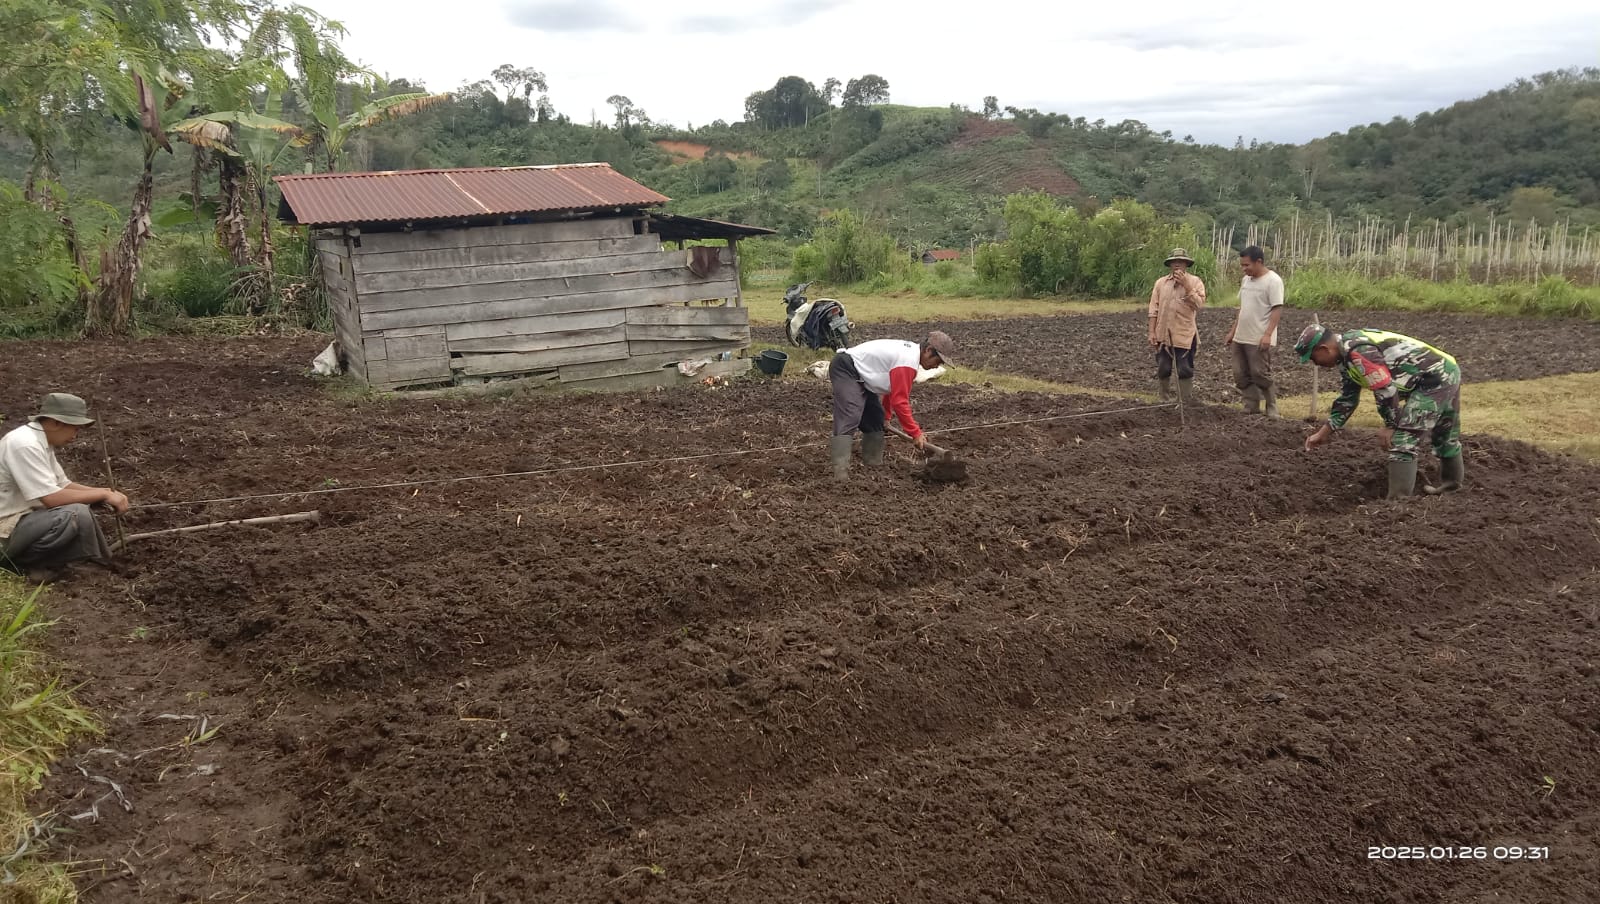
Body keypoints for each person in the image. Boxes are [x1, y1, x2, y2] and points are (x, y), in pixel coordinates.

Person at [1296, 325, 1465, 500]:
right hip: (1442, 371)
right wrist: (1325, 432)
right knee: (1444, 432)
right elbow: (1348, 398)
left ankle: (1398, 504)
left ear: (1324, 349)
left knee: (1403, 439)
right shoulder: (1345, 356)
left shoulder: (1359, 351)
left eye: (1313, 358)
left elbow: (1385, 389)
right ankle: (1451, 488)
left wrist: (1391, 425)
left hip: (1435, 378)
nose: (1315, 363)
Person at [0, 393, 129, 582]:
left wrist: (105, 494)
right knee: (73, 514)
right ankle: (19, 564)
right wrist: (100, 494)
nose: (75, 436)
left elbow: (62, 484)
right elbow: (51, 498)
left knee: (80, 508)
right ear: (55, 423)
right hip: (4, 528)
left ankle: (92, 561)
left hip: (18, 520)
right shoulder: (24, 445)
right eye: (74, 429)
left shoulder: (39, 442)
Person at [829, 331, 956, 481]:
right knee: (850, 413)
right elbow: (900, 401)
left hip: (862, 376)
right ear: (928, 351)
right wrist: (915, 433)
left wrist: (886, 417)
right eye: (938, 361)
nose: (937, 366)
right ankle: (840, 474)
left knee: (876, 419)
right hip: (847, 368)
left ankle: (873, 467)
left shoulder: (910, 359)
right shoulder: (907, 361)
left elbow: (890, 389)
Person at [1222, 245, 1285, 417]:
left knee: (1259, 373)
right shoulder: (1246, 281)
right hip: (1241, 335)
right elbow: (1243, 308)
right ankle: (1251, 405)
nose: (1244, 269)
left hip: (1258, 337)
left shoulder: (1273, 281)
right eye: (1242, 265)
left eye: (1246, 265)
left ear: (1259, 262)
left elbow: (1276, 309)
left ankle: (1271, 405)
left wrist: (1267, 334)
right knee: (1239, 373)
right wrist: (1233, 331)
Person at [1148, 247, 1207, 404]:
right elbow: (1153, 309)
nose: (1177, 265)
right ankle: (1164, 399)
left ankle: (1184, 401)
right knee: (1163, 368)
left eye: (1181, 262)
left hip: (1185, 334)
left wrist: (1187, 286)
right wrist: (1151, 332)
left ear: (1186, 264)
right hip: (1163, 333)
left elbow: (1199, 304)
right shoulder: (1161, 283)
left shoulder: (1195, 282)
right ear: (1170, 264)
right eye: (1174, 262)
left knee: (1184, 369)